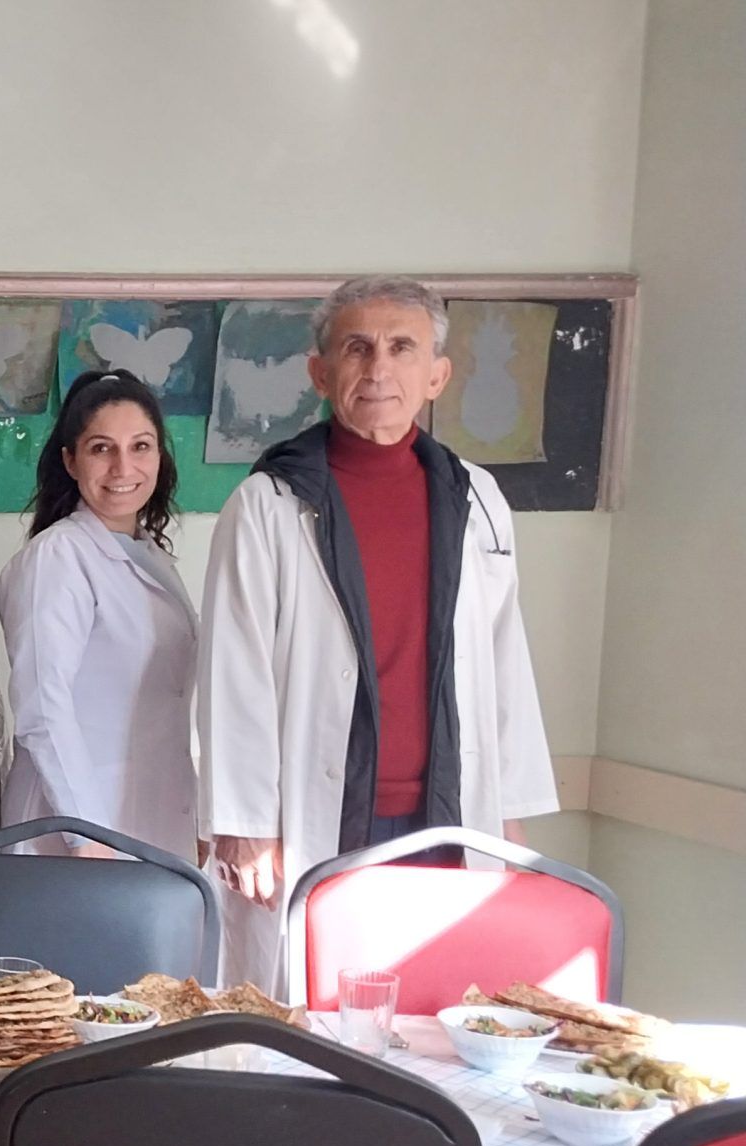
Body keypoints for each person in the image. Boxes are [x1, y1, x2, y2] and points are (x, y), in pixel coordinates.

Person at [197, 275, 556, 993]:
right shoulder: (268, 502)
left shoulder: (478, 499)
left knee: (435, 1001)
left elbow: (503, 658)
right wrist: (243, 819)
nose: (378, 368)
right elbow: (234, 669)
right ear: (320, 373)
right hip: (315, 813)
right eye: (357, 348)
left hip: (448, 810)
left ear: (437, 376)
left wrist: (508, 811)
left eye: (401, 347)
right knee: (314, 1006)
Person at [0, 367, 198, 857]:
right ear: (70, 460)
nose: (123, 468)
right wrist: (86, 833)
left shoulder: (149, 555)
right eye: (101, 448)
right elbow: (43, 708)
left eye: (140, 446)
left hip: (147, 813)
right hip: (77, 828)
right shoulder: (58, 557)